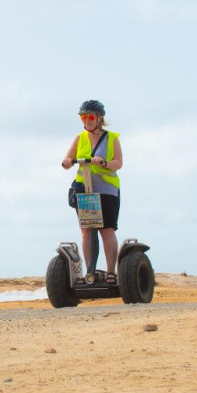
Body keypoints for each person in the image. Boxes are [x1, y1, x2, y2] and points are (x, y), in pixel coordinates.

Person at [61, 100, 123, 282]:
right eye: (83, 117)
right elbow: (67, 159)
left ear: (99, 118)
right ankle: (90, 273)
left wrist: (103, 162)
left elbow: (118, 163)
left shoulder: (112, 138)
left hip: (106, 190)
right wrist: (66, 162)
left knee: (106, 230)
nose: (86, 120)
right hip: (85, 190)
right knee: (86, 230)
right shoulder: (79, 138)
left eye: (89, 116)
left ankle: (111, 272)